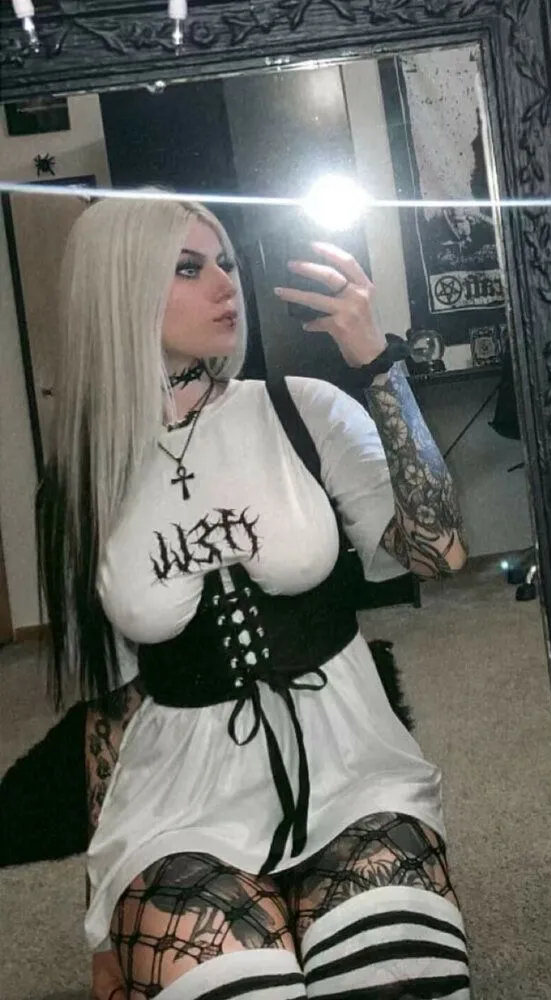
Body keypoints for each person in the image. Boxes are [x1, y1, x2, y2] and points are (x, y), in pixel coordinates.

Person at [11, 193, 471, 999]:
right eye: (189, 268)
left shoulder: (300, 409)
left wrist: (379, 366)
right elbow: (110, 705)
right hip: (179, 797)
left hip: (351, 766)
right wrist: (102, 914)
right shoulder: (83, 483)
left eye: (225, 261)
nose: (227, 284)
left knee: (396, 978)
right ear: (121, 288)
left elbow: (439, 552)